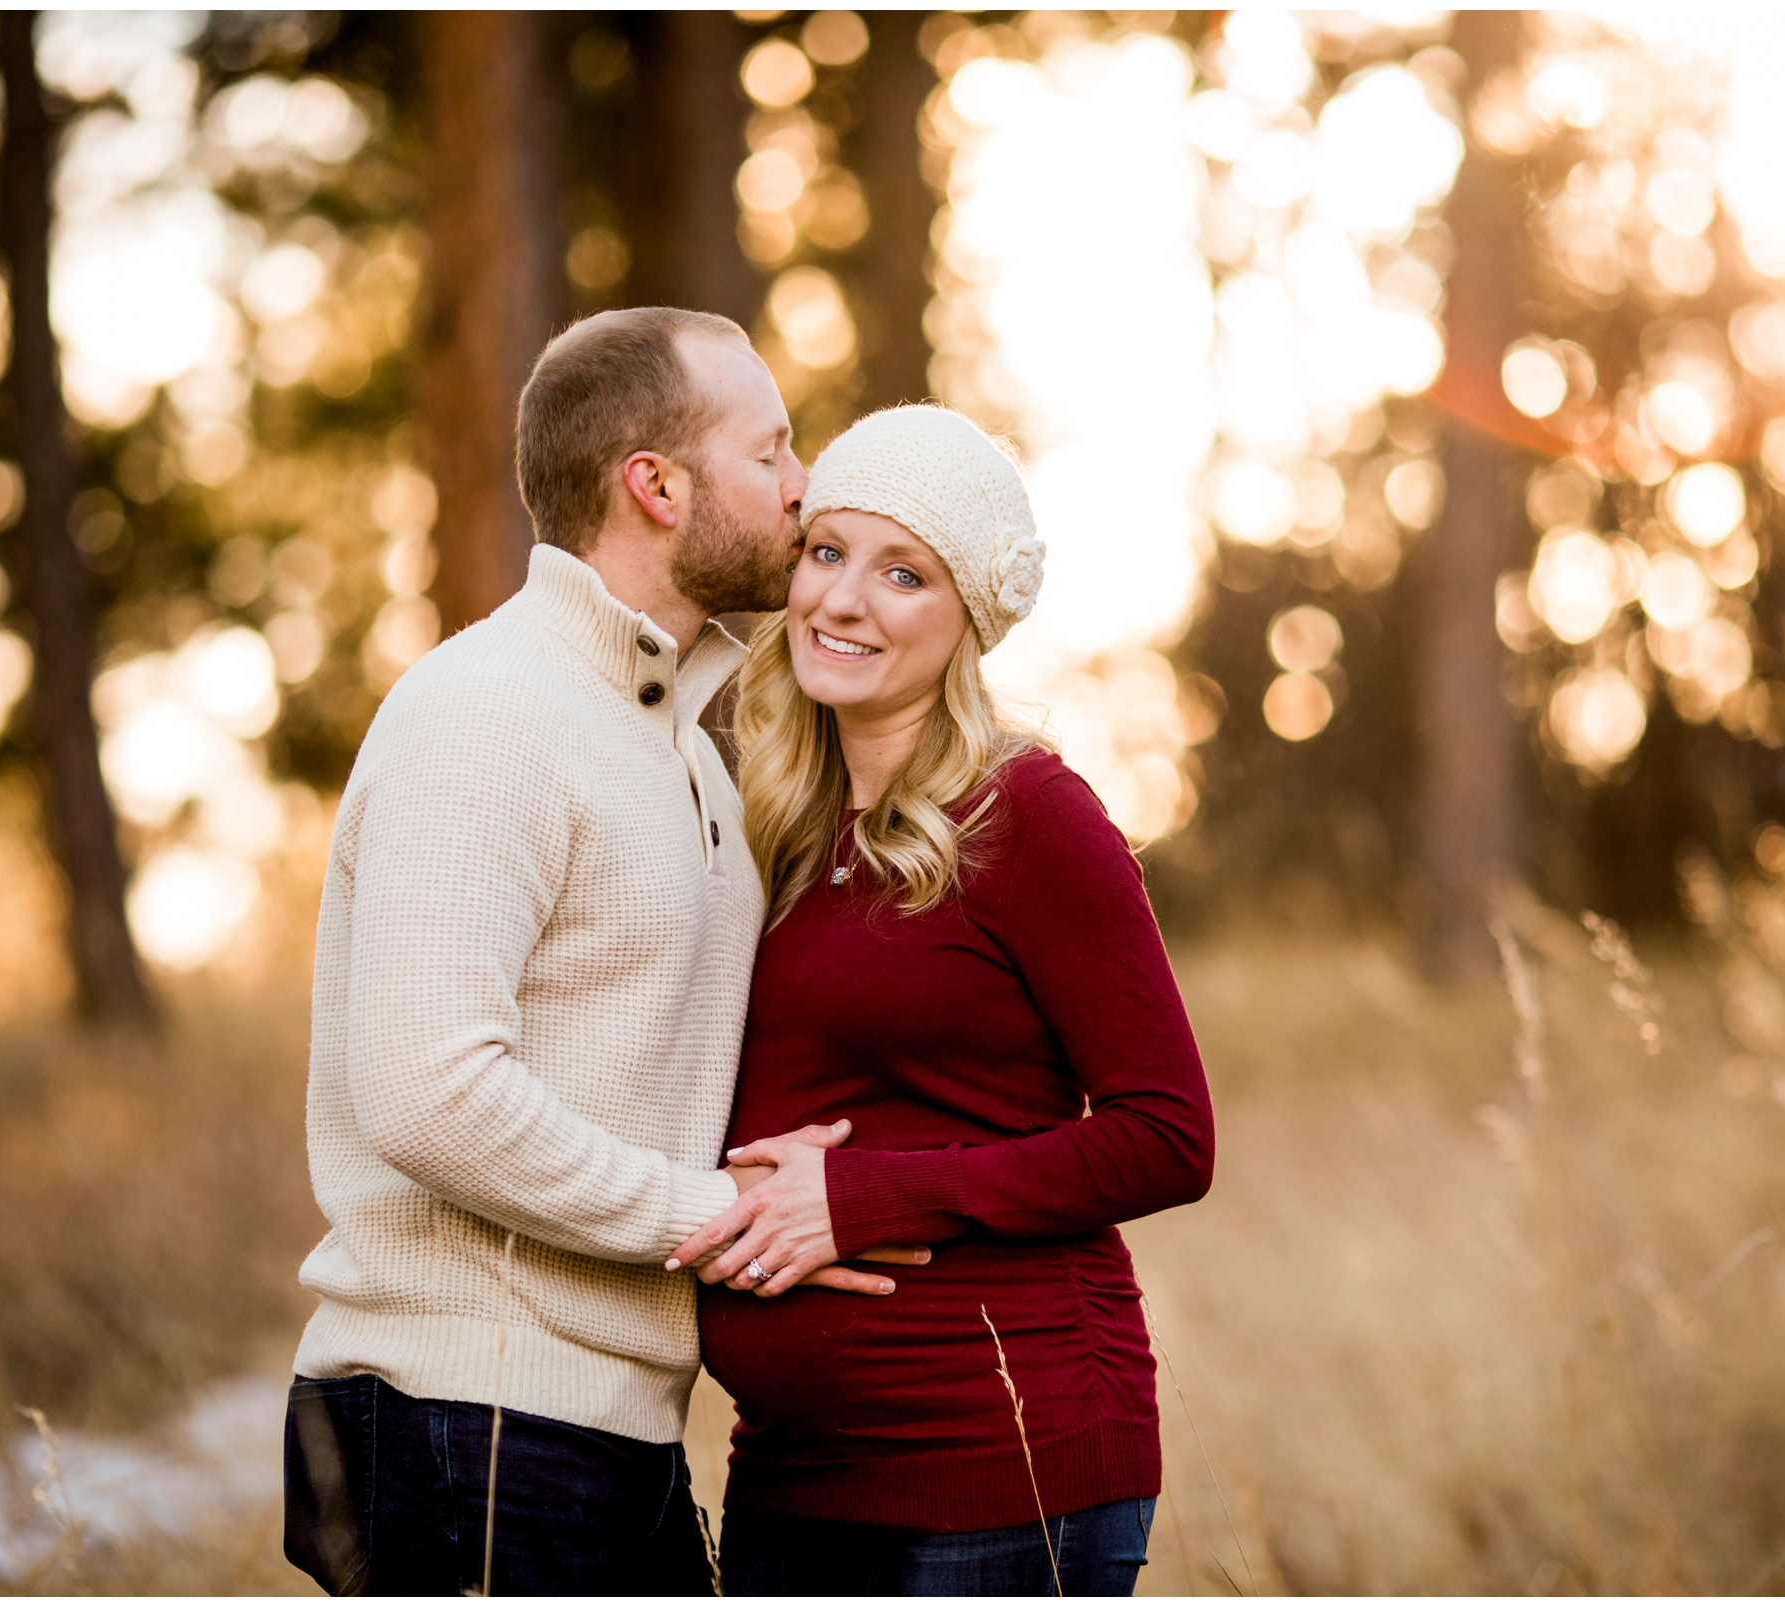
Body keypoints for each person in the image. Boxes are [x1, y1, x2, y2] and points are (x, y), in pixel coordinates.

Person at [281, 308, 919, 1597]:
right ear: (657, 484)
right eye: (774, 452)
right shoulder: (488, 710)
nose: (805, 490)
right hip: (465, 1405)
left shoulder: (678, 744)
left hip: (600, 1424)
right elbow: (426, 1084)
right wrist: (713, 1216)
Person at [668, 405, 1219, 1597]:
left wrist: (874, 1194)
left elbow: (1168, 1135)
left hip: (1001, 1465)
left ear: (967, 618)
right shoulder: (771, 827)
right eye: (827, 552)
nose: (843, 601)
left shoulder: (1027, 815)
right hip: (790, 1474)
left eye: (903, 572)